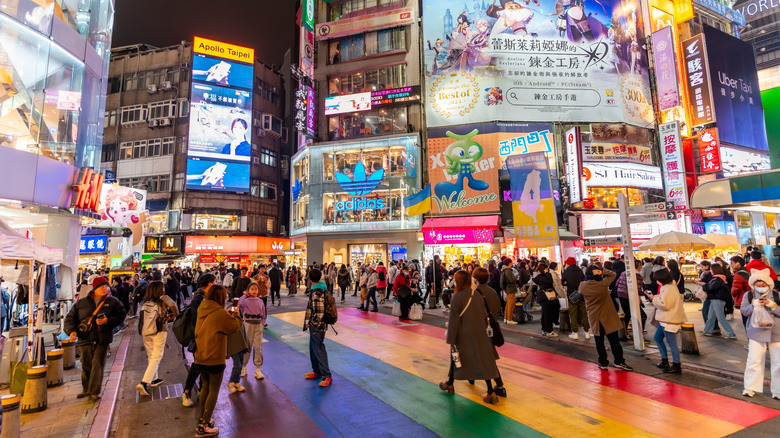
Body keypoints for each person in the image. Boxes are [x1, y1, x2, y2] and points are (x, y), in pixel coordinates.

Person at [439, 270, 501, 404]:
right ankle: (491, 392)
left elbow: (454, 321)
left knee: (456, 359)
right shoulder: (477, 295)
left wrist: (451, 339)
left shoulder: (457, 297)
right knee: (483, 361)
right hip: (480, 334)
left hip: (463, 335)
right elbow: (485, 315)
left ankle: (450, 384)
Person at [64, 276, 127, 401]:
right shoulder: (81, 303)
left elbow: (121, 315)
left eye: (107, 286)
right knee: (86, 365)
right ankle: (86, 389)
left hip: (102, 338)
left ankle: (94, 392)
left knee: (97, 364)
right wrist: (71, 332)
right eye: (103, 286)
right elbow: (70, 319)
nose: (106, 288)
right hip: (85, 338)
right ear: (95, 288)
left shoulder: (113, 302)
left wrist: (107, 321)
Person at [192, 284, 241, 437]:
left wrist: (225, 314)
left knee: (205, 388)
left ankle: (202, 419)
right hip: (214, 357)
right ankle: (204, 426)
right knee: (213, 390)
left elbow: (216, 322)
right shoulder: (220, 313)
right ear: (221, 297)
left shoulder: (203, 307)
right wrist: (237, 314)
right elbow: (234, 326)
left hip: (200, 355)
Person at [579, 266, 633, 371]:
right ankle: (619, 361)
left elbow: (580, 295)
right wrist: (602, 270)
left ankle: (603, 362)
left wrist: (595, 273)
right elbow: (613, 274)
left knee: (599, 341)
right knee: (614, 341)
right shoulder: (603, 284)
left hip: (595, 318)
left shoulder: (582, 286)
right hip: (607, 316)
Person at [740, 268, 780, 399]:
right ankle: (750, 387)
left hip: (776, 331)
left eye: (763, 285)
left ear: (768, 284)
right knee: (754, 359)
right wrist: (753, 306)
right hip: (756, 331)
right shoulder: (749, 295)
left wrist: (773, 305)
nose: (761, 288)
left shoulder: (776, 295)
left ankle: (777, 390)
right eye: (758, 286)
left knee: (778, 362)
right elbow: (744, 310)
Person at [136, 281, 179, 396]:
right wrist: (176, 315)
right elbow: (173, 305)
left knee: (151, 356)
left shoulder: (146, 301)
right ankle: (144, 383)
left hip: (146, 331)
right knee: (157, 356)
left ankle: (154, 379)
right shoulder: (163, 298)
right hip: (159, 330)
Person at [182, 273, 216, 407]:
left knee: (204, 366)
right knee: (198, 365)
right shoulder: (199, 299)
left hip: (206, 336)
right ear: (210, 284)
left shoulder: (204, 297)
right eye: (214, 282)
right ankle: (187, 391)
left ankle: (202, 391)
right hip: (200, 337)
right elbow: (198, 319)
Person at [646, 268, 684, 374]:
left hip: (669, 319)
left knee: (672, 343)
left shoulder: (669, 288)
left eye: (657, 279)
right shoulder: (667, 287)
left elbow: (665, 305)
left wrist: (654, 298)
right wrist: (655, 297)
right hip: (664, 319)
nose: (656, 281)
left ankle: (676, 365)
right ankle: (664, 360)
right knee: (657, 338)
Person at [303, 269, 333, 387]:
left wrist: (313, 323)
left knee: (319, 349)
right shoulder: (322, 288)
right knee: (313, 348)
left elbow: (319, 313)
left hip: (317, 326)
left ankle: (326, 375)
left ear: (309, 278)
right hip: (318, 325)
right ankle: (317, 371)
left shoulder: (316, 292)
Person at [238, 282, 266, 380]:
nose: (254, 291)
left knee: (258, 347)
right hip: (248, 325)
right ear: (248, 291)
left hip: (258, 325)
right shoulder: (245, 302)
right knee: (247, 347)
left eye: (255, 289)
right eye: (252, 289)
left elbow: (263, 314)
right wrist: (244, 295)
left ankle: (258, 369)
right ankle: (243, 366)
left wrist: (262, 325)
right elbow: (239, 305)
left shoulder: (260, 301)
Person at [703, 263, 737, 339]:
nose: (710, 271)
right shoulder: (720, 278)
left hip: (718, 299)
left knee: (720, 317)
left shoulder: (718, 279)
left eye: (711, 269)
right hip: (715, 299)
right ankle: (708, 330)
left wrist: (704, 285)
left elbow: (711, 288)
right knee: (711, 316)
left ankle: (730, 333)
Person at [615, 259, 646, 335]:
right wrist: (646, 294)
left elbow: (617, 284)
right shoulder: (637, 276)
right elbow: (638, 290)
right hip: (630, 297)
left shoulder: (623, 273)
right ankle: (639, 334)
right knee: (642, 316)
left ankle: (624, 332)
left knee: (627, 314)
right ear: (639, 267)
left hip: (621, 296)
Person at [562, 257, 589, 340]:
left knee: (573, 314)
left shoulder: (566, 271)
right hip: (581, 294)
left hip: (572, 295)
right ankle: (587, 332)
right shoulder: (580, 270)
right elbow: (584, 280)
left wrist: (567, 283)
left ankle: (575, 332)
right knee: (584, 313)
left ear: (568, 263)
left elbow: (563, 282)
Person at [533, 263, 558, 337]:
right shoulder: (547, 276)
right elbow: (550, 281)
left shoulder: (538, 277)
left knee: (544, 314)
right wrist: (547, 273)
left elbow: (535, 280)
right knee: (548, 314)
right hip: (546, 296)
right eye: (546, 268)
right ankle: (549, 330)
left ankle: (544, 329)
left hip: (541, 296)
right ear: (544, 269)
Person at [730, 256, 752, 330]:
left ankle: (750, 339)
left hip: (742, 299)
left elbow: (736, 289)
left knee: (746, 322)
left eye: (732, 263)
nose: (731, 265)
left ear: (738, 263)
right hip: (750, 298)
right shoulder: (747, 272)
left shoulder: (738, 275)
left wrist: (732, 294)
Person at [501, 258, 519, 325]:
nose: (512, 264)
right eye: (511, 262)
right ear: (509, 263)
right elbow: (511, 280)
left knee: (508, 304)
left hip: (507, 288)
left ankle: (506, 318)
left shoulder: (504, 270)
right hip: (510, 288)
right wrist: (515, 276)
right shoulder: (508, 271)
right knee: (511, 304)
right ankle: (509, 319)